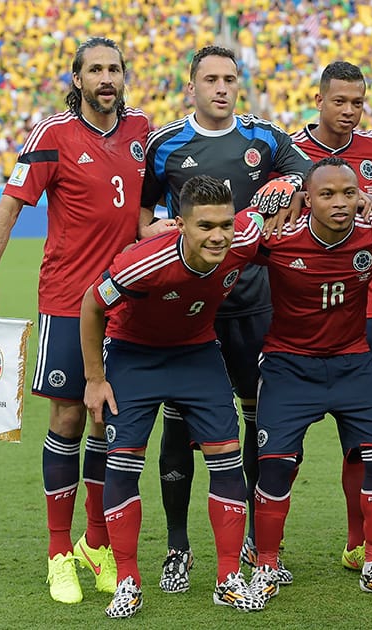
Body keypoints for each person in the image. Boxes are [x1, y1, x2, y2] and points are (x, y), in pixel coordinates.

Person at [0, 37, 152, 604]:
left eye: (114, 69)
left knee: (108, 421)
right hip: (69, 301)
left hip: (127, 304)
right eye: (95, 69)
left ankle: (97, 542)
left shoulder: (142, 129)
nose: (106, 78)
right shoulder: (53, 134)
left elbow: (148, 206)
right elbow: (8, 205)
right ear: (77, 80)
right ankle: (58, 551)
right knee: (69, 416)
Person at [138, 45, 312, 593]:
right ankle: (177, 547)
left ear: (239, 86)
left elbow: (307, 175)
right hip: (191, 308)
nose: (220, 88)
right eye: (209, 79)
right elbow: (143, 221)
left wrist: (289, 187)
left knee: (259, 419)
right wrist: (165, 231)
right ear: (191, 87)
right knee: (182, 422)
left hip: (254, 303)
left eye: (229, 79)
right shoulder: (165, 144)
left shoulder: (264, 137)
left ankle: (261, 547)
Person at [80, 175, 265, 617]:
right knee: (123, 462)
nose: (218, 236)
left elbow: (273, 219)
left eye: (225, 224)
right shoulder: (141, 262)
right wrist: (94, 379)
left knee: (226, 456)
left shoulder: (245, 240)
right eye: (205, 226)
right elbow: (91, 304)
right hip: (133, 354)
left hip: (196, 353)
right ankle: (128, 581)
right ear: (179, 223)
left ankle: (227, 579)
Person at [247, 158, 372, 604]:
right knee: (276, 465)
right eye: (327, 194)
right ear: (307, 200)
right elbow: (229, 239)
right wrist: (264, 209)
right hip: (288, 366)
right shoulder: (279, 240)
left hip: (353, 363)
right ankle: (266, 564)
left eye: (348, 193)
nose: (340, 203)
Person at [288, 61, 372, 574]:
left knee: (367, 439)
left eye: (357, 102)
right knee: (283, 441)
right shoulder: (287, 152)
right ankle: (264, 546)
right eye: (340, 101)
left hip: (366, 311)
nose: (349, 111)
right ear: (319, 99)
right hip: (295, 321)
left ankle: (361, 541)